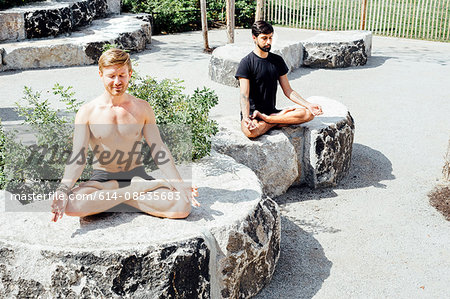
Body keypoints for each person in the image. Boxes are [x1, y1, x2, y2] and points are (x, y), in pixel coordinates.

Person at [51, 49, 199, 222]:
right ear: (101, 74)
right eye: (111, 76)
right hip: (103, 181)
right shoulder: (87, 112)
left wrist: (178, 184)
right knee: (72, 205)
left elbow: (158, 148)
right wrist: (63, 189)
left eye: (122, 75)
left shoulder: (142, 108)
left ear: (130, 74)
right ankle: (135, 192)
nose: (117, 81)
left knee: (182, 206)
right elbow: (78, 156)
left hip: (136, 175)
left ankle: (112, 201)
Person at [236, 21, 324, 138]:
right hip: (253, 114)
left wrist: (308, 104)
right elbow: (244, 96)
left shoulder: (277, 60)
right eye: (264, 38)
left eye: (270, 38)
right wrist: (246, 118)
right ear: (254, 38)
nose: (268, 42)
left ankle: (269, 119)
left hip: (271, 112)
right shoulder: (246, 63)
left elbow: (288, 91)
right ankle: (277, 121)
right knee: (250, 132)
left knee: (308, 114)